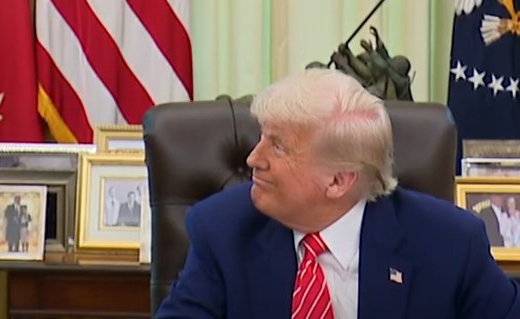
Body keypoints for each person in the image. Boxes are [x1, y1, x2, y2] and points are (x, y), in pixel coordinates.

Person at [155, 68, 520, 319]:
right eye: (261, 137)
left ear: (338, 181)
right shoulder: (222, 230)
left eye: (278, 146)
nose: (254, 158)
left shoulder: (450, 244)